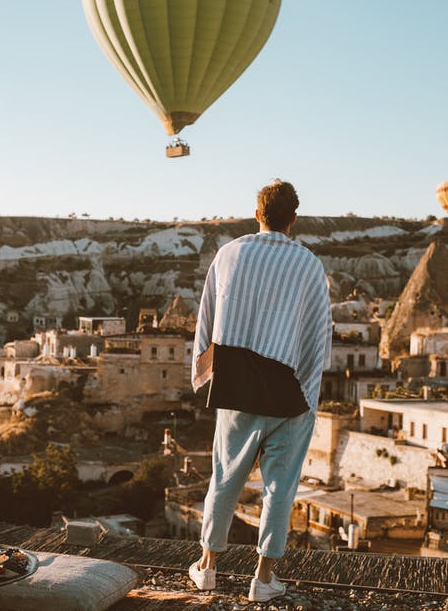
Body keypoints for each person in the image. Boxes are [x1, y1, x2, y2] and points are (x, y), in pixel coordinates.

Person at [189, 179, 332, 603]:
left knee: (224, 479)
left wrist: (205, 369)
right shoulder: (308, 264)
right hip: (289, 389)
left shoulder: (229, 253)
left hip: (236, 384)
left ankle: (208, 568)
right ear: (293, 220)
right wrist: (306, 385)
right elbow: (317, 336)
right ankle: (263, 579)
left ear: (257, 214)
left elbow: (208, 315)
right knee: (279, 489)